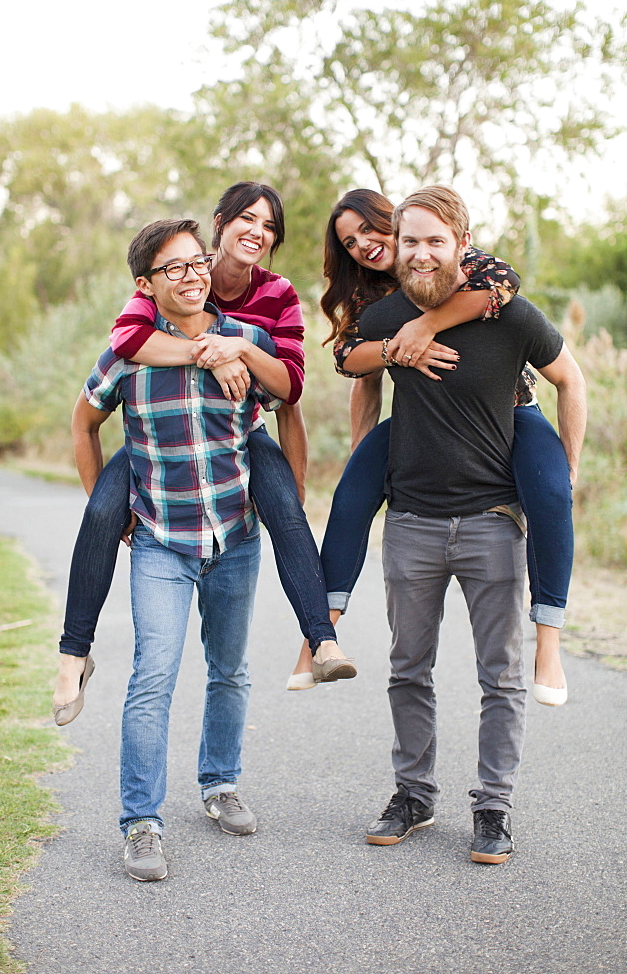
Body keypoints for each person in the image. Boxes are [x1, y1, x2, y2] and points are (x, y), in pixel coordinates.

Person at [52, 182, 354, 720]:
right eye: (248, 220)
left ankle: (321, 642)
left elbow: (289, 389)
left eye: (269, 226)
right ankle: (73, 652)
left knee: (286, 506)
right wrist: (206, 353)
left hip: (241, 427)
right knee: (101, 508)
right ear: (221, 223)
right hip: (162, 426)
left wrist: (236, 346)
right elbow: (127, 343)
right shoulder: (184, 272)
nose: (258, 233)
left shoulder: (278, 293)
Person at [349, 185, 586, 863]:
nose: (421, 252)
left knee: (501, 676)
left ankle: (493, 808)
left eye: (435, 240)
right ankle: (414, 797)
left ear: (461, 243)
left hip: (491, 523)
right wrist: (369, 459)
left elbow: (571, 379)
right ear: (396, 246)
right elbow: (355, 374)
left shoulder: (507, 314)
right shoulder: (389, 314)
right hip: (413, 523)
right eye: (410, 240)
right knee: (408, 669)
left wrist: (563, 468)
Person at [288, 188, 574, 706]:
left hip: (509, 409)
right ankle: (320, 636)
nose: (362, 247)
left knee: (552, 494)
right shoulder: (373, 299)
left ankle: (549, 641)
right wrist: (397, 355)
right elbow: (356, 365)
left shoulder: (462, 262)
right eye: (349, 242)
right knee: (351, 496)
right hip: (422, 417)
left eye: (371, 233)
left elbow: (504, 284)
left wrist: (426, 325)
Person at [69, 217, 282, 881]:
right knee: (153, 676)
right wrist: (110, 509)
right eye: (174, 268)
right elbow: (84, 422)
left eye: (197, 263)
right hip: (162, 540)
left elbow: (289, 399)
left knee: (230, 669)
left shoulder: (247, 339)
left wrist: (289, 494)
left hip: (235, 536)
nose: (192, 275)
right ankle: (140, 823)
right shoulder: (126, 356)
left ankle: (220, 784)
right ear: (146, 284)